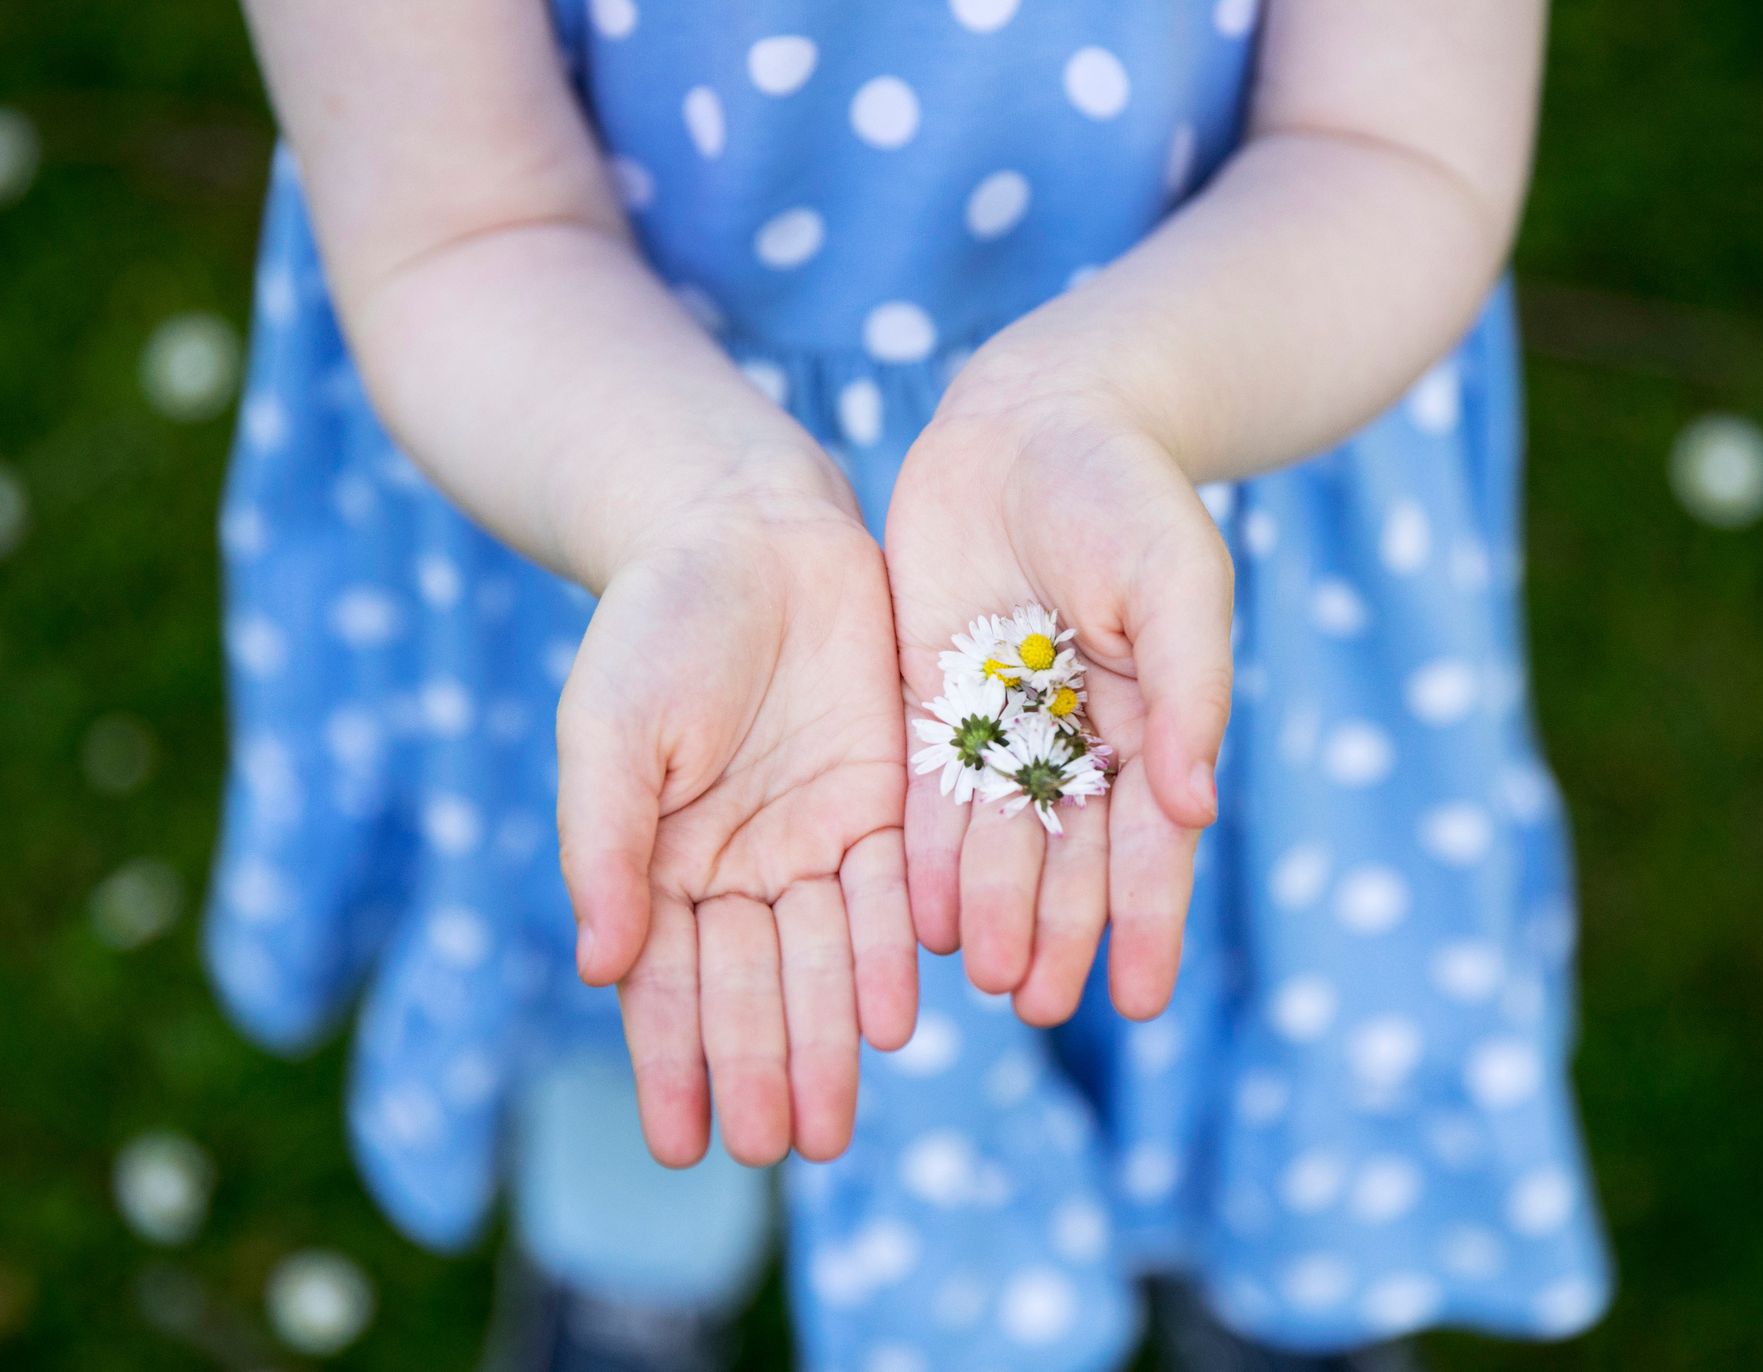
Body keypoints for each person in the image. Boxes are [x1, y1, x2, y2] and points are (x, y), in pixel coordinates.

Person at [205, 1, 1610, 1368]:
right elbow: (462, 219)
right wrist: (689, 504)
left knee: (1167, 898)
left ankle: (1256, 1259)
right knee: (673, 909)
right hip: (598, 440)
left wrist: (1112, 400)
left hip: (1208, 399)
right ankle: (633, 1259)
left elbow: (1392, 143)